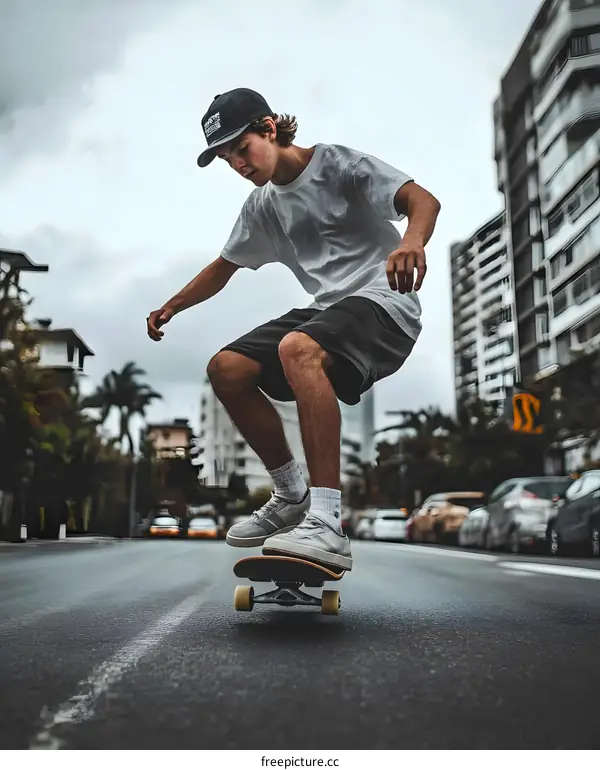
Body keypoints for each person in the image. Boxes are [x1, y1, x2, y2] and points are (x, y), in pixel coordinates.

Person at [146, 87, 440, 572]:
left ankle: (327, 523)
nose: (239, 165)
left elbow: (420, 198)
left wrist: (411, 241)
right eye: (226, 159)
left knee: (297, 347)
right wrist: (171, 307)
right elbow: (224, 266)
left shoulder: (338, 165)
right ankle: (290, 494)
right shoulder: (262, 206)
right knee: (227, 368)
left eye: (243, 149)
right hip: (331, 309)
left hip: (387, 303)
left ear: (269, 128)